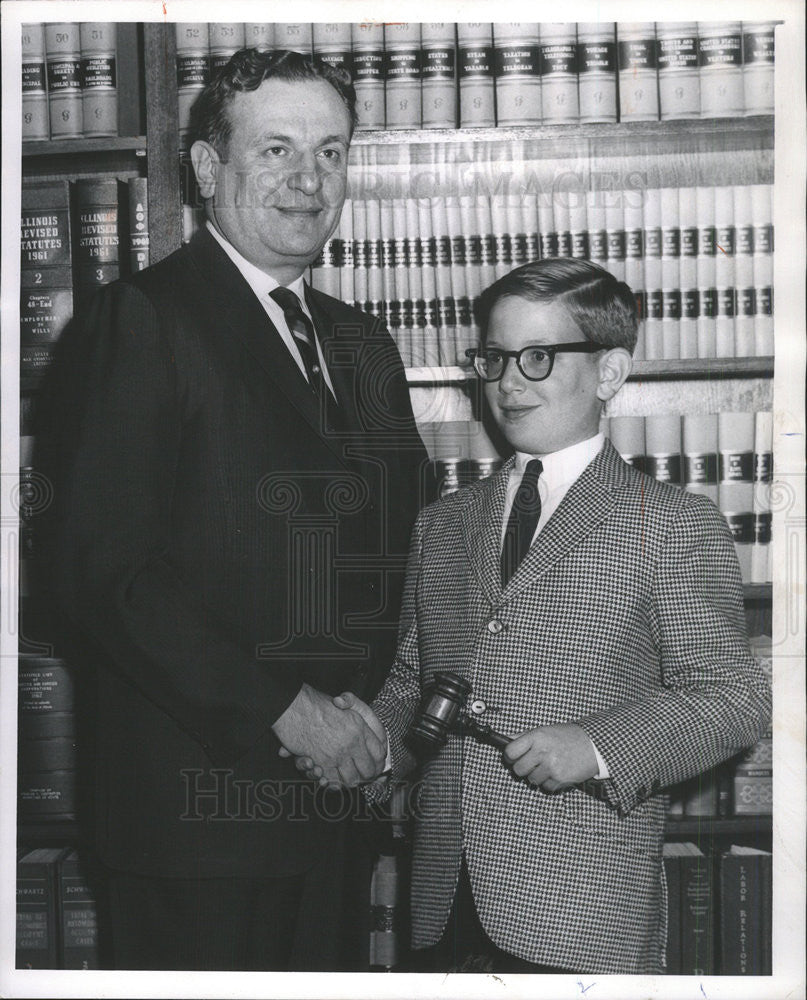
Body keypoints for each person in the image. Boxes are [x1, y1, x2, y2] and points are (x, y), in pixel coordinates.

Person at [39, 48, 430, 971]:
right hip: (195, 826)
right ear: (209, 169)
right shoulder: (140, 319)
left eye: (330, 153)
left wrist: (382, 728)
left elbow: (397, 550)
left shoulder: (363, 344)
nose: (308, 180)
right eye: (277, 151)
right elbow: (105, 577)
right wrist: (290, 714)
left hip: (338, 807)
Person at [294, 257, 772, 974]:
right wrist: (370, 747)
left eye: (538, 357)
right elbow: (411, 686)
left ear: (609, 372)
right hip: (438, 906)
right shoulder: (442, 523)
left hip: (581, 914)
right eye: (493, 357)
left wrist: (599, 745)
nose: (508, 382)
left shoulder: (671, 522)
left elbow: (734, 701)